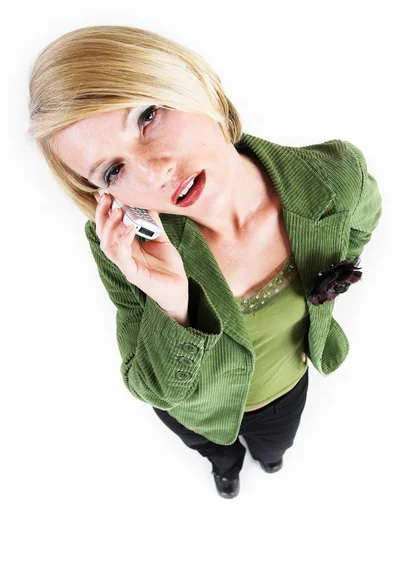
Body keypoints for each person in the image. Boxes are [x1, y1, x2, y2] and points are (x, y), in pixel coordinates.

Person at [27, 25, 382, 500]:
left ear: (189, 80)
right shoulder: (125, 249)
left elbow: (359, 226)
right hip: (196, 409)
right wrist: (174, 302)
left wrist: (333, 279)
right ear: (108, 195)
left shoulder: (332, 176)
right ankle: (225, 468)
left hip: (283, 389)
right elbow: (152, 386)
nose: (155, 172)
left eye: (147, 116)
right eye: (114, 170)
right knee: (215, 449)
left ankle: (270, 460)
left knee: (276, 445)